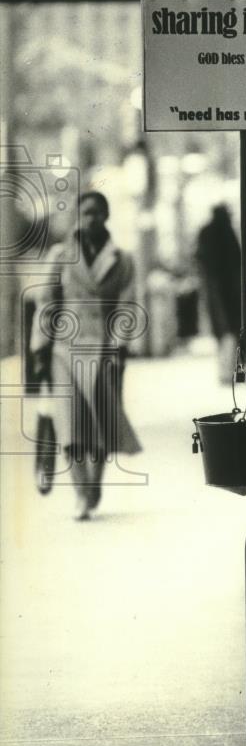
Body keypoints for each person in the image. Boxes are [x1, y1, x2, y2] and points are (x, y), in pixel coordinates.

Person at [30, 191, 141, 520]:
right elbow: (46, 305)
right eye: (85, 213)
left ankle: (94, 485)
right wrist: (40, 349)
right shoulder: (61, 255)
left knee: (102, 427)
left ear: (106, 216)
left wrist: (120, 344)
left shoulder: (122, 260)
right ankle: (82, 492)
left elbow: (127, 306)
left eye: (96, 213)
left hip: (106, 352)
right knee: (71, 426)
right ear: (78, 216)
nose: (90, 218)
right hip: (65, 352)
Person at [195, 204, 246, 381]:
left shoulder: (208, 232)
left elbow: (200, 259)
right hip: (234, 290)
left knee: (226, 332)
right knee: (236, 331)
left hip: (219, 289)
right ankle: (235, 373)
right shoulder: (230, 231)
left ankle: (229, 373)